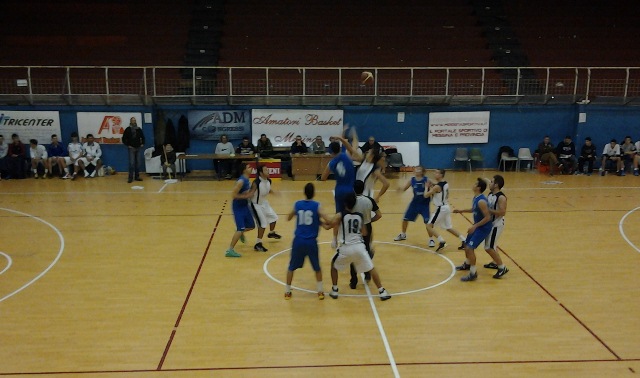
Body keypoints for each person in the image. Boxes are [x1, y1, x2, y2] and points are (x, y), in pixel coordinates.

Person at [327, 192, 391, 301]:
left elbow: (329, 225)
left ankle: (334, 289)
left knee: (333, 266)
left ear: (345, 203)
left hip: (346, 248)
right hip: (360, 248)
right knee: (371, 268)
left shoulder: (340, 215)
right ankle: (382, 291)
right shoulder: (359, 216)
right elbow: (365, 233)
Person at [284, 182, 334, 300]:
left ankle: (287, 291)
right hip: (311, 242)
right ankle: (320, 291)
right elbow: (328, 220)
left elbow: (288, 217)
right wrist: (324, 222)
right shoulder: (317, 206)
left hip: (298, 241)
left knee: (291, 267)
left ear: (304, 193)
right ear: (314, 193)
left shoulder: (297, 204)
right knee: (317, 267)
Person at [453, 178, 494, 282]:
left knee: (470, 248)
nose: (473, 185)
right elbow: (474, 209)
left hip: (483, 228)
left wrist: (475, 226)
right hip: (478, 226)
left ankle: (473, 273)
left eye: (475, 184)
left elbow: (487, 217)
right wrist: (461, 210)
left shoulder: (481, 201)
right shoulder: (476, 198)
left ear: (478, 187)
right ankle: (467, 264)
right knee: (466, 245)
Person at [321, 132, 356, 248]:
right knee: (350, 215)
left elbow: (323, 178)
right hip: (350, 190)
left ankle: (335, 239)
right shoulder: (348, 155)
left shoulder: (332, 162)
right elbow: (349, 147)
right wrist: (341, 138)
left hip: (339, 190)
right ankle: (350, 238)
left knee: (338, 215)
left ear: (331, 152)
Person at [423, 169, 467, 252]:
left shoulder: (437, 187)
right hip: (446, 207)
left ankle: (441, 241)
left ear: (441, 175)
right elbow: (438, 188)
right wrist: (432, 184)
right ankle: (464, 240)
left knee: (428, 226)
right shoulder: (445, 183)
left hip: (441, 208)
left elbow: (426, 195)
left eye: (436, 173)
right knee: (448, 227)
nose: (434, 174)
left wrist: (426, 187)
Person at [349, 179, 382, 289]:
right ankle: (367, 274)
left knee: (352, 252)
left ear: (353, 189)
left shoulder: (351, 200)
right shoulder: (369, 200)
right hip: (367, 227)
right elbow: (379, 215)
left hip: (354, 228)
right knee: (366, 251)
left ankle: (353, 281)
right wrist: (370, 220)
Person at [394, 166, 431, 244]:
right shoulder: (412, 180)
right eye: (416, 169)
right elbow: (404, 189)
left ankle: (431, 239)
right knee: (405, 219)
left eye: (419, 169)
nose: (416, 170)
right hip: (414, 203)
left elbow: (433, 189)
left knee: (427, 222)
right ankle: (403, 234)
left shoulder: (426, 180)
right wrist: (399, 189)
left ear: (422, 172)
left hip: (424, 204)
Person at [481, 175, 509, 279]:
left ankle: (502, 267)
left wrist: (488, 211)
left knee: (489, 247)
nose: (489, 183)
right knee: (492, 245)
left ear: (496, 184)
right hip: (490, 223)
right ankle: (494, 262)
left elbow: (502, 212)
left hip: (497, 224)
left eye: (491, 182)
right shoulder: (490, 194)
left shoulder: (501, 197)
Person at [225, 162, 256, 258]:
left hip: (245, 206)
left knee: (251, 226)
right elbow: (233, 195)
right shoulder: (241, 181)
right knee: (240, 228)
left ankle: (240, 232)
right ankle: (230, 250)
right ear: (244, 170)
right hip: (238, 207)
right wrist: (246, 196)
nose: (251, 168)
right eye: (248, 167)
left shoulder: (247, 180)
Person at [250, 164, 282, 252]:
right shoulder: (256, 182)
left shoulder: (269, 181)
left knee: (274, 217)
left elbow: (268, 189)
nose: (268, 171)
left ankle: (271, 233)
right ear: (261, 173)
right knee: (263, 223)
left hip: (264, 202)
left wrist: (274, 193)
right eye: (266, 170)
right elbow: (250, 193)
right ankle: (258, 243)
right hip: (256, 204)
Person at [122, 117, 145, 183]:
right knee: (131, 163)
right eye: (132, 120)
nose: (134, 121)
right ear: (130, 121)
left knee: (138, 163)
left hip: (138, 147)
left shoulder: (139, 129)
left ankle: (137, 176)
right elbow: (124, 138)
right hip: (131, 148)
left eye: (135, 120)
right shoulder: (128, 129)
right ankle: (130, 177)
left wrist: (142, 143)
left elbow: (143, 137)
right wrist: (127, 145)